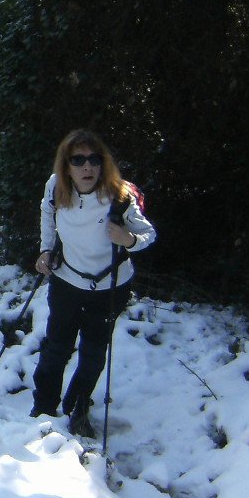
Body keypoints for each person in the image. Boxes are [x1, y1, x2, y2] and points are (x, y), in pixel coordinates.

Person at [29, 130, 156, 436]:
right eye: (78, 160)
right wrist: (46, 249)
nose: (87, 167)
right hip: (67, 280)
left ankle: (77, 409)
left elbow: (148, 234)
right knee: (56, 347)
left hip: (110, 285)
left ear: (103, 163)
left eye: (94, 159)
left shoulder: (119, 196)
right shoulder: (56, 186)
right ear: (67, 165)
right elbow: (47, 211)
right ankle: (43, 408)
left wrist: (129, 239)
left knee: (94, 351)